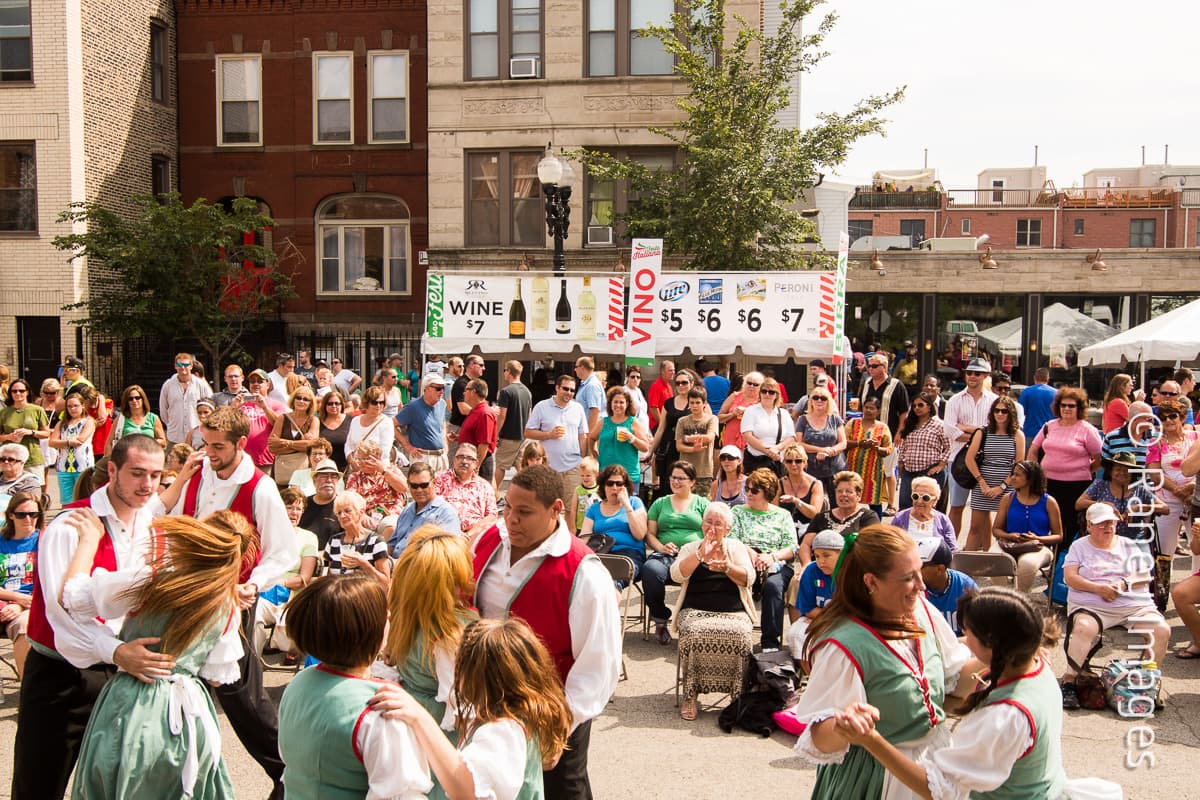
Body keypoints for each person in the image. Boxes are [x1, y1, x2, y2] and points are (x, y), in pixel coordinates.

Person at [834, 588, 1115, 800]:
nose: (963, 641)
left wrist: (871, 740)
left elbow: (939, 791)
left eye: (967, 634)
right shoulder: (1037, 667)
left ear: (992, 645)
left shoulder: (1004, 717)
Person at [12, 435, 167, 799]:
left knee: (118, 786)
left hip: (124, 673)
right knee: (39, 786)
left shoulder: (152, 523)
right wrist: (116, 652)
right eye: (138, 473)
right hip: (60, 679)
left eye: (156, 476)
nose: (148, 485)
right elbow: (59, 616)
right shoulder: (71, 524)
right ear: (112, 470)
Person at [63, 512, 251, 800]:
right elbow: (216, 677)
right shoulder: (227, 604)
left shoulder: (152, 580)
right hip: (189, 712)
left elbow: (74, 598)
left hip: (134, 702)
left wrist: (88, 542)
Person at [159, 405, 297, 796]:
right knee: (182, 691)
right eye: (205, 442)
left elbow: (282, 551)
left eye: (218, 445)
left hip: (234, 597)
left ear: (240, 443)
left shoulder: (260, 487)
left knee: (242, 698)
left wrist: (255, 583)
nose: (209, 451)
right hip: (187, 593)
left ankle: (288, 772)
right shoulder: (197, 473)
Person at [791, 525, 975, 799]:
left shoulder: (921, 610)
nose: (921, 585)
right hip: (877, 779)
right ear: (871, 582)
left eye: (920, 572)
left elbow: (954, 680)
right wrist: (845, 727)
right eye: (908, 578)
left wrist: (1005, 656)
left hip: (932, 766)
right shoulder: (842, 644)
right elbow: (819, 737)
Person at [472, 464, 620, 797]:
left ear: (556, 510)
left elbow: (598, 665)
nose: (511, 519)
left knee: (562, 790)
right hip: (487, 700)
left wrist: (561, 723)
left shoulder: (584, 574)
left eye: (524, 512)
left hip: (553, 709)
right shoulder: (491, 538)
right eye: (507, 507)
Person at [278, 575, 434, 799]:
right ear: (371, 631)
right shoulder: (382, 708)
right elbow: (400, 792)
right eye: (385, 616)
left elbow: (288, 756)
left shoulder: (298, 683)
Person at [1059, 503, 1170, 709]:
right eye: (1101, 523)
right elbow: (1070, 577)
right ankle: (1070, 680)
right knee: (1084, 628)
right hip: (1093, 605)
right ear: (1089, 525)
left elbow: (1146, 575)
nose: (1107, 527)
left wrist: (1124, 583)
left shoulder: (1128, 544)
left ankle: (1147, 682)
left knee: (1161, 630)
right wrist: (1098, 589)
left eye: (1111, 522)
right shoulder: (1079, 546)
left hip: (1133, 606)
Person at [383, 526, 479, 731]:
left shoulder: (406, 615)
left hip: (409, 720)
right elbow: (463, 708)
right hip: (437, 732)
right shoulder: (450, 634)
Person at [670, 502, 757, 720]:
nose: (712, 527)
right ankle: (691, 695)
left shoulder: (736, 547)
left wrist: (728, 567)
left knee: (741, 635)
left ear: (727, 529)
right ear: (701, 524)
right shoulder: (691, 548)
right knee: (693, 632)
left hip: (734, 611)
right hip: (695, 609)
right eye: (709, 522)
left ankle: (737, 696)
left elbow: (749, 578)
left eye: (718, 524)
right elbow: (676, 575)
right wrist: (700, 555)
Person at [730, 468, 797, 652]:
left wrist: (771, 556)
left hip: (775, 562)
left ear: (767, 493)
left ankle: (770, 643)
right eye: (747, 489)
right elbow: (732, 538)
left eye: (754, 491)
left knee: (773, 586)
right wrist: (749, 552)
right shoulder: (737, 511)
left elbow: (792, 547)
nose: (748, 494)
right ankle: (731, 635)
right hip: (744, 559)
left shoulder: (782, 515)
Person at [1027, 386, 1102, 546]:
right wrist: (1035, 473)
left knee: (1071, 528)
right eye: (1063, 405)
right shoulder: (1049, 426)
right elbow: (1033, 450)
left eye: (1071, 406)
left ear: (1079, 408)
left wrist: (1085, 469)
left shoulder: (1087, 430)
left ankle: (1065, 562)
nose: (1066, 409)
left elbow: (1099, 457)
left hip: (1076, 487)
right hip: (1047, 484)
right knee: (1046, 523)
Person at [645, 460, 709, 644]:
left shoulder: (702, 504)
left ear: (692, 482)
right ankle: (660, 619)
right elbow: (650, 534)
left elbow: (710, 533)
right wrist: (661, 547)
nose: (676, 481)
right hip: (665, 555)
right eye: (673, 477)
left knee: (707, 574)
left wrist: (697, 549)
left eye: (681, 478)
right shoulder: (660, 503)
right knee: (650, 570)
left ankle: (694, 623)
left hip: (694, 556)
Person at [253, 487, 319, 657]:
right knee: (254, 612)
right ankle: (252, 663)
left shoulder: (308, 537)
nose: (294, 512)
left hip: (291, 596)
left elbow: (304, 578)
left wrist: (278, 582)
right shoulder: (265, 534)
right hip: (263, 593)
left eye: (298, 509)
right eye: (289, 507)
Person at [963, 395, 1024, 552]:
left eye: (1004, 411)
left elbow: (1018, 465)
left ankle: (999, 563)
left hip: (1007, 486)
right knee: (975, 527)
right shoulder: (982, 432)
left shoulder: (1017, 435)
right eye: (997, 410)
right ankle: (968, 563)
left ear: (1011, 413)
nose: (1000, 414)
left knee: (1003, 529)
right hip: (982, 483)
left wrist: (1002, 486)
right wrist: (982, 483)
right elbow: (969, 459)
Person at [943, 356, 996, 535]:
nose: (973, 376)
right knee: (956, 506)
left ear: (985, 376)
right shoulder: (954, 400)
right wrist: (981, 433)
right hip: (958, 459)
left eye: (978, 373)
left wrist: (964, 428)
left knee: (983, 510)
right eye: (970, 373)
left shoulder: (994, 401)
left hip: (985, 460)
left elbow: (994, 432)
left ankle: (985, 552)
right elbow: (950, 431)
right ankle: (951, 548)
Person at [993, 460, 1064, 592]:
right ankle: (1003, 597)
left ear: (1031, 479)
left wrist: (1038, 538)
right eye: (1012, 474)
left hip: (1038, 546)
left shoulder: (1049, 502)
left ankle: (1020, 599)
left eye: (1017, 475)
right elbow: (996, 530)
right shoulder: (1007, 499)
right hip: (1009, 543)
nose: (1012, 478)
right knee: (995, 558)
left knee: (1027, 564)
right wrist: (1009, 535)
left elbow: (1058, 536)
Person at [524, 374, 588, 509]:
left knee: (572, 508)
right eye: (566, 389)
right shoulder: (542, 407)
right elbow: (528, 432)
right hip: (549, 468)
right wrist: (549, 434)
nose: (569, 393)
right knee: (549, 507)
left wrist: (583, 458)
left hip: (573, 466)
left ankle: (569, 531)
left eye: (572, 390)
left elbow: (583, 436)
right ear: (557, 388)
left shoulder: (578, 408)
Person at [859, 352, 910, 515]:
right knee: (870, 468)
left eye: (874, 366)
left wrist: (900, 433)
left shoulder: (896, 385)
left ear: (884, 367)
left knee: (888, 469)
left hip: (889, 432)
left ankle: (891, 503)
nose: (870, 369)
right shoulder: (867, 383)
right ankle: (870, 499)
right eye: (869, 366)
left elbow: (904, 412)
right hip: (868, 432)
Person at [1075, 451, 1165, 541]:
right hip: (1101, 539)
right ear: (1110, 471)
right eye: (1118, 469)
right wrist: (1102, 505)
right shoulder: (1100, 485)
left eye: (1127, 470)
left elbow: (1165, 508)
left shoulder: (1140, 490)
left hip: (1134, 541)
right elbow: (1079, 504)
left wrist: (1137, 508)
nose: (1122, 473)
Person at [1146, 396, 1196, 556]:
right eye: (1163, 418)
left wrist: (1192, 487)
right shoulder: (1155, 442)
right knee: (1164, 553)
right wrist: (1179, 491)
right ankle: (1162, 582)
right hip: (1167, 502)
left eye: (1172, 416)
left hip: (1195, 499)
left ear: (1182, 417)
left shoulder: (1196, 438)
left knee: (1198, 551)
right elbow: (1154, 474)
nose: (1168, 420)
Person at [580, 464, 648, 582]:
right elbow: (584, 537)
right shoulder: (594, 509)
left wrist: (627, 505)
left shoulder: (634, 503)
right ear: (603, 486)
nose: (614, 487)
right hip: (602, 553)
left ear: (626, 487)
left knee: (611, 582)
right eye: (610, 483)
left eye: (619, 484)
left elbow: (640, 535)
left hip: (628, 554)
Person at [786, 529, 841, 668]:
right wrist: (833, 614)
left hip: (847, 623)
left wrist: (826, 614)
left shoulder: (852, 572)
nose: (821, 561)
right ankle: (810, 678)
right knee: (795, 633)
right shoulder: (811, 571)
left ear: (841, 554)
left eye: (826, 556)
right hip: (821, 619)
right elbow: (808, 609)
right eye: (817, 556)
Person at [0, 491, 41, 677]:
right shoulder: (2, 541)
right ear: (11, 515)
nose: (28, 519)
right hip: (6, 598)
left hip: (33, 604)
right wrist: (16, 599)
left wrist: (20, 606)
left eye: (33, 514)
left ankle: (26, 692)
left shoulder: (44, 541)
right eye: (21, 514)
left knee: (25, 625)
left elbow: (49, 584)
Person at [802, 471, 882, 563]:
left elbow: (871, 548)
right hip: (821, 568)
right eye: (839, 491)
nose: (843, 494)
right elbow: (806, 545)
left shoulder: (869, 517)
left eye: (848, 491)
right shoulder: (821, 517)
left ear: (858, 495)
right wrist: (806, 565)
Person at [389, 461, 461, 557]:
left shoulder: (446, 513)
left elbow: (449, 551)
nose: (419, 490)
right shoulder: (407, 509)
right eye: (414, 486)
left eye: (424, 485)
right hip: (395, 563)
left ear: (434, 483)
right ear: (408, 485)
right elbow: (392, 544)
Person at [590, 386, 650, 496]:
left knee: (628, 508)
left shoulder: (633, 422)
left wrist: (631, 438)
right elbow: (592, 437)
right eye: (615, 402)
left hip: (628, 475)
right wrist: (594, 453)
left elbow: (645, 447)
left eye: (621, 402)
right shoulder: (604, 422)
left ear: (627, 404)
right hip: (606, 473)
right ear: (610, 404)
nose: (618, 405)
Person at [895, 392, 950, 511]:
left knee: (928, 507)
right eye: (914, 406)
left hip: (930, 471)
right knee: (905, 506)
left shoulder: (939, 425)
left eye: (920, 405)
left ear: (929, 406)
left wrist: (941, 465)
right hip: (909, 471)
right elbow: (904, 445)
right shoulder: (910, 424)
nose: (917, 408)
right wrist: (900, 463)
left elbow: (949, 447)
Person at [326, 490, 393, 583]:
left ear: (361, 512)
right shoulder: (334, 541)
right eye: (339, 513)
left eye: (347, 511)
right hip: (338, 595)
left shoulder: (376, 541)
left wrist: (364, 565)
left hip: (365, 596)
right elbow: (329, 578)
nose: (342, 516)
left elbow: (385, 582)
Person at [649, 368, 699, 495]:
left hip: (688, 449)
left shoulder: (697, 401)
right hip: (668, 448)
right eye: (677, 383)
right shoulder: (669, 403)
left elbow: (707, 421)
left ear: (691, 383)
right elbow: (661, 429)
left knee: (686, 482)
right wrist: (651, 451)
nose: (681, 386)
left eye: (684, 383)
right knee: (668, 484)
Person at [345, 440, 408, 539]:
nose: (360, 463)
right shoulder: (355, 477)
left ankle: (386, 554)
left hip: (390, 514)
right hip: (365, 516)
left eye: (365, 459)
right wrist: (362, 515)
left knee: (390, 526)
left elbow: (404, 488)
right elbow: (350, 500)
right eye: (359, 459)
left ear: (377, 459)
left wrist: (383, 471)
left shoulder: (392, 471)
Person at [437, 442, 500, 541]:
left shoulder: (484, 486)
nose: (464, 461)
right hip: (444, 535)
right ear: (454, 460)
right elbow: (430, 509)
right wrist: (453, 532)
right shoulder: (439, 480)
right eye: (460, 457)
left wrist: (470, 534)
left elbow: (492, 516)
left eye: (470, 458)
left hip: (474, 537)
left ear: (476, 464)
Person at [916, 537, 978, 635]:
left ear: (939, 569)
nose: (914, 570)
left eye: (920, 566)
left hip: (961, 648)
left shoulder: (966, 587)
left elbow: (977, 635)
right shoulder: (913, 589)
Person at [844, 396, 891, 514]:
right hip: (853, 468)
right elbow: (843, 443)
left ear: (878, 411)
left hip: (873, 471)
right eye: (866, 407)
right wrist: (859, 443)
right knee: (850, 497)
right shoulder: (853, 423)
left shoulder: (883, 427)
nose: (869, 410)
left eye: (872, 408)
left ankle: (875, 527)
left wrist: (876, 448)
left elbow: (888, 450)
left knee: (874, 500)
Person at [268, 385, 320, 489]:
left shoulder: (313, 420)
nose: (301, 401)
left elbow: (310, 447)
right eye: (298, 397)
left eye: (306, 399)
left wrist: (284, 443)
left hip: (304, 470)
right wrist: (299, 446)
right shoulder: (282, 418)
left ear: (311, 403)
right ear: (293, 399)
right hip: (281, 472)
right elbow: (272, 446)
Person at [0, 379, 51, 485]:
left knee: (33, 489)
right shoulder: (4, 412)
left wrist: (31, 432)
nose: (18, 393)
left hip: (32, 456)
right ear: (10, 393)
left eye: (21, 391)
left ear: (27, 392)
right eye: (14, 391)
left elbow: (46, 433)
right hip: (10, 459)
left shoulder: (37, 410)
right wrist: (8, 437)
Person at [741, 376, 795, 476]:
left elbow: (791, 437)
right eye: (764, 391)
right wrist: (768, 452)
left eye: (771, 392)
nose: (767, 394)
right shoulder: (751, 411)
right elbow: (747, 436)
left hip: (777, 462)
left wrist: (778, 448)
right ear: (760, 393)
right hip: (755, 460)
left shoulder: (784, 413)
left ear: (776, 395)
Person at [159, 352, 214, 447]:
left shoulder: (201, 384)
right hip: (174, 437)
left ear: (191, 366)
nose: (183, 367)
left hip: (197, 438)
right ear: (175, 366)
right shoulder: (168, 385)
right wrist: (172, 424)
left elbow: (211, 407)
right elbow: (163, 410)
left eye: (185, 364)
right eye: (180, 364)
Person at [49, 391, 96, 502]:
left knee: (84, 499)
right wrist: (69, 443)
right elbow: (51, 442)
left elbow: (80, 440)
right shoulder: (61, 423)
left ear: (83, 405)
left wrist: (62, 442)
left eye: (75, 405)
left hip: (83, 466)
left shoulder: (88, 421)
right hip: (63, 467)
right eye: (69, 406)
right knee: (66, 501)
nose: (72, 409)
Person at [494, 360, 533, 492]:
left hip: (508, 436)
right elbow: (530, 414)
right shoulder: (527, 391)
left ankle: (493, 494)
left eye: (505, 370)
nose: (504, 373)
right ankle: (528, 493)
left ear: (509, 372)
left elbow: (502, 415)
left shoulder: (506, 391)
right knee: (521, 468)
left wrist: (496, 434)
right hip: (523, 436)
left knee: (500, 466)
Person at [890, 476, 957, 553]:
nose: (919, 501)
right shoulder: (900, 518)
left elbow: (952, 550)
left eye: (925, 498)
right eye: (915, 496)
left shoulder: (943, 520)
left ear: (934, 501)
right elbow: (890, 545)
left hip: (934, 564)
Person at [675, 387, 718, 496]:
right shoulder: (682, 421)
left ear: (704, 403)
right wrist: (693, 448)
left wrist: (687, 438)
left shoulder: (711, 419)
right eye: (692, 403)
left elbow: (709, 438)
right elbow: (679, 446)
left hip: (704, 471)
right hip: (685, 470)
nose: (694, 406)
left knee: (702, 504)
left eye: (698, 403)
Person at [345, 385, 398, 473]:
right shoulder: (355, 420)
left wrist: (364, 465)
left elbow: (384, 451)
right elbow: (348, 445)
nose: (378, 405)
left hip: (376, 471)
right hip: (355, 471)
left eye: (382, 402)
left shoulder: (387, 422)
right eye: (374, 402)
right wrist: (352, 462)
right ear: (367, 403)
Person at [242, 368, 286, 472]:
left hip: (267, 461)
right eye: (252, 381)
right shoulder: (242, 404)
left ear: (268, 384)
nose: (256, 384)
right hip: (243, 461)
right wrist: (233, 407)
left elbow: (279, 424)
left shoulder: (277, 405)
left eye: (260, 381)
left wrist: (265, 407)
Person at [457, 378, 499, 482]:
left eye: (466, 389)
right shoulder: (475, 410)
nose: (463, 392)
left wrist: (476, 466)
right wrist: (458, 437)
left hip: (479, 463)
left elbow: (484, 444)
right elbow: (475, 435)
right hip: (470, 460)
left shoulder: (484, 413)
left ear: (473, 392)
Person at [106, 384, 166, 456]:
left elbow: (163, 441)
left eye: (137, 398)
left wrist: (147, 443)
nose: (134, 401)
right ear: (127, 401)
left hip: (148, 457)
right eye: (130, 399)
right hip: (126, 459)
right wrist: (109, 459)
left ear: (143, 399)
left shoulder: (153, 418)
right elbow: (109, 443)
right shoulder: (120, 419)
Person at [777, 444, 825, 532]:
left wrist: (796, 501)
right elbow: (773, 510)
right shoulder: (779, 484)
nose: (793, 464)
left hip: (809, 530)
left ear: (805, 462)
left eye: (798, 461)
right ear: (784, 463)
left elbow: (814, 514)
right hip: (784, 529)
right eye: (789, 461)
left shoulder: (816, 484)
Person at [299, 459, 344, 550]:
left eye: (333, 477)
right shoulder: (302, 504)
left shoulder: (343, 507)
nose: (329, 480)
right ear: (314, 480)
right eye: (324, 476)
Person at [717, 370, 763, 450]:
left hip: (752, 441)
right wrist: (733, 414)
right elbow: (719, 418)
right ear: (745, 383)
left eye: (755, 385)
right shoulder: (735, 396)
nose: (751, 386)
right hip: (731, 438)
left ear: (761, 387)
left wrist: (749, 412)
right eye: (749, 383)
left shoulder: (762, 401)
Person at [573, 356, 606, 434]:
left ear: (582, 368)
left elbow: (595, 411)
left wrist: (589, 435)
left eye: (576, 366)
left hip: (592, 432)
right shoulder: (587, 384)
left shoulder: (592, 385)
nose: (575, 369)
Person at [646, 359, 676, 432]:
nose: (673, 373)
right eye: (670, 370)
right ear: (662, 371)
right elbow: (653, 408)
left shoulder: (669, 386)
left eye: (674, 370)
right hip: (657, 426)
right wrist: (662, 425)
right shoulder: (656, 386)